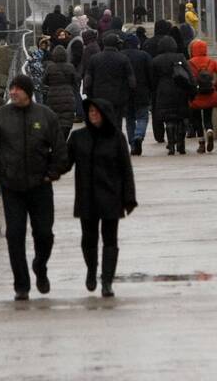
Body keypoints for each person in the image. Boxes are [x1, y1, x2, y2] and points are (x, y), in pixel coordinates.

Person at [0, 75, 68, 300]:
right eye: (11, 88)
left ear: (28, 92)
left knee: (44, 234)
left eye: (18, 89)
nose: (13, 92)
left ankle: (40, 266)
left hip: (40, 186)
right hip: (12, 187)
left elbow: (60, 149)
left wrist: (53, 172)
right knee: (15, 235)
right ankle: (22, 284)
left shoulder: (45, 116)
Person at [66, 98, 137, 298]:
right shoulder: (78, 137)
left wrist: (129, 198)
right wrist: (45, 170)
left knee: (110, 240)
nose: (93, 115)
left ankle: (107, 282)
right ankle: (91, 269)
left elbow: (126, 170)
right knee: (88, 239)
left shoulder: (117, 138)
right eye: (90, 112)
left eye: (97, 112)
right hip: (86, 197)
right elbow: (64, 162)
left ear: (105, 114)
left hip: (111, 196)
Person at [82, 32, 136, 125]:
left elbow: (88, 80)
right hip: (118, 96)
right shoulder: (123, 58)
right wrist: (129, 93)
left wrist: (89, 94)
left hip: (99, 95)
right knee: (117, 121)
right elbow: (131, 80)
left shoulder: (94, 58)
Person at [151, 35, 192, 155]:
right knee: (179, 118)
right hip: (180, 90)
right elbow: (189, 73)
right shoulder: (180, 57)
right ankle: (181, 144)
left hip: (163, 91)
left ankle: (171, 144)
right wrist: (193, 89)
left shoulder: (156, 60)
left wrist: (154, 93)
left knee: (168, 118)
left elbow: (153, 80)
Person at [187, 39, 217, 153]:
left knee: (197, 119)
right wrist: (215, 87)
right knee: (208, 117)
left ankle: (201, 143)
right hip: (209, 93)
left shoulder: (189, 63)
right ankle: (209, 130)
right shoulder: (211, 62)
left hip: (196, 95)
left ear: (193, 50)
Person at [122, 33, 154, 155]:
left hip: (126, 93)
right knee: (142, 116)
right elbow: (150, 74)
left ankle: (132, 144)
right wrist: (151, 90)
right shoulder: (144, 56)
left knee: (129, 119)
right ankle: (139, 135)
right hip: (142, 91)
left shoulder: (121, 55)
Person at [43, 45, 79, 134]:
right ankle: (64, 139)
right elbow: (75, 81)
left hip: (53, 97)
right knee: (67, 119)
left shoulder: (50, 67)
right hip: (68, 97)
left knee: (54, 119)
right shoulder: (70, 67)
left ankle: (56, 141)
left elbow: (44, 81)